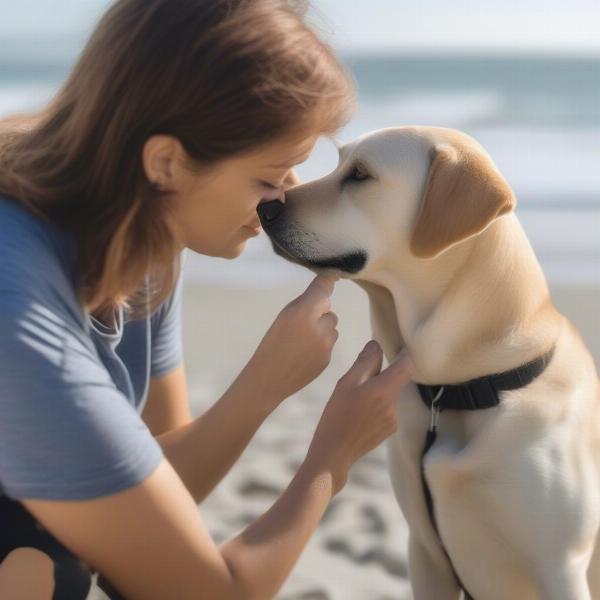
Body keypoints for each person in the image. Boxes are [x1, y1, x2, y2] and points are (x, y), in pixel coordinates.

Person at [0, 1, 415, 598]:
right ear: (166, 161)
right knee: (44, 551)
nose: (284, 201)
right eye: (269, 178)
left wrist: (262, 387)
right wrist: (331, 456)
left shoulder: (137, 232)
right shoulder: (24, 325)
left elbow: (159, 495)